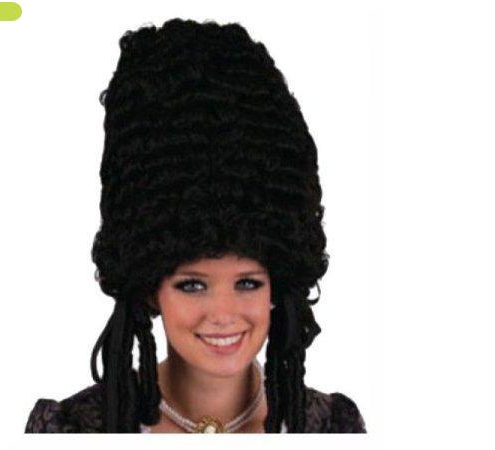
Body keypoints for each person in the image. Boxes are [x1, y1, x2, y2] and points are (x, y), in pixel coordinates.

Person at [24, 18, 366, 433]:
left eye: (247, 283)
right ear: (150, 288)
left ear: (276, 285)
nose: (222, 314)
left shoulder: (329, 428)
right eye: (192, 285)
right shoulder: (76, 430)